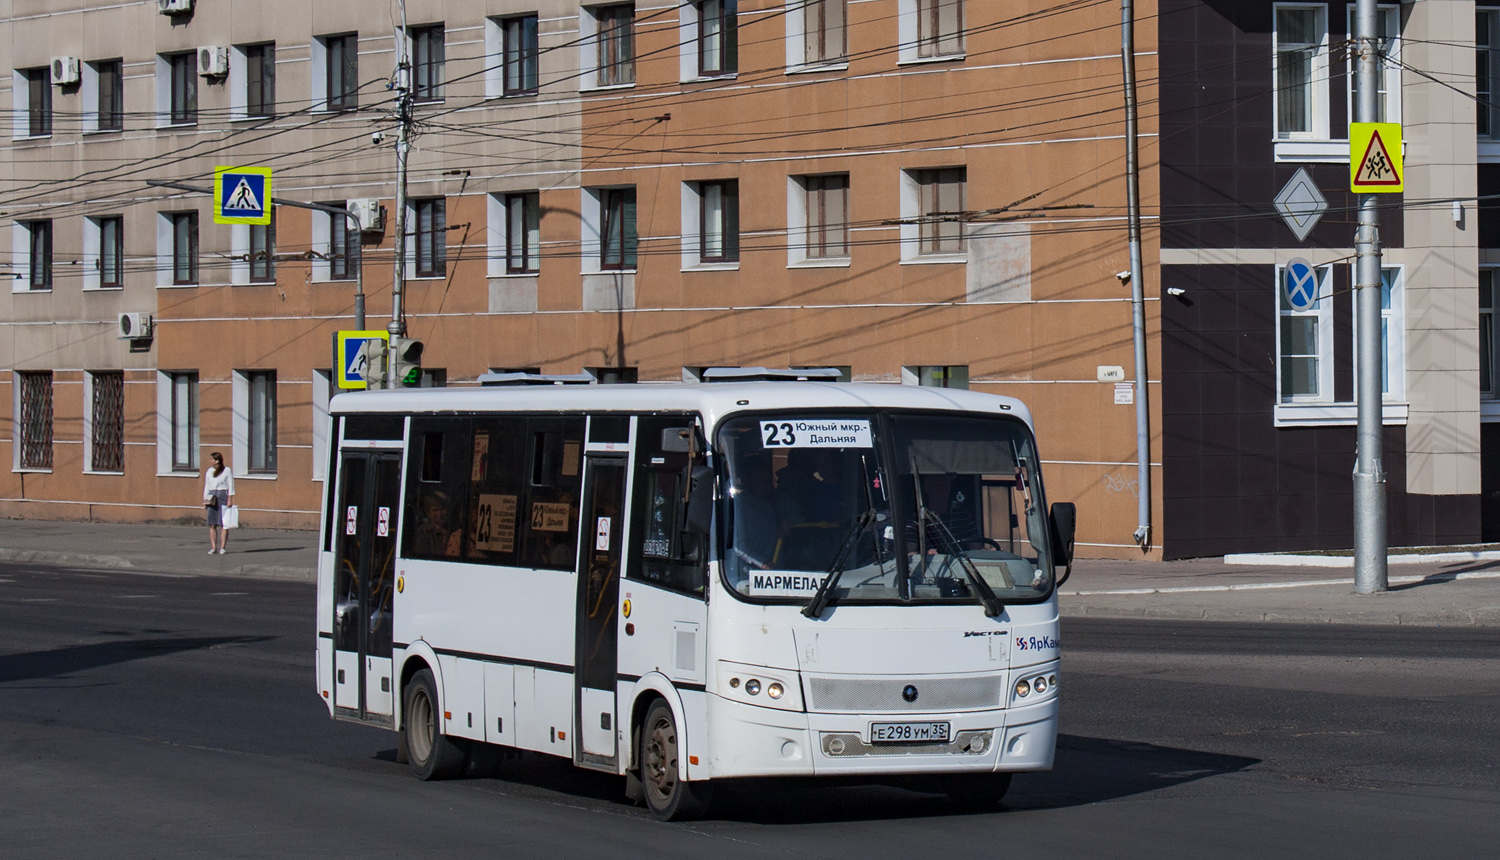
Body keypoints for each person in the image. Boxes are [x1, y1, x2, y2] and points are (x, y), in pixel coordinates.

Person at [202, 451, 235, 555]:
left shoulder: (226, 470)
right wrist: (205, 500)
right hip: (212, 496)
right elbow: (207, 486)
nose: (210, 461)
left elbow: (230, 484)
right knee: (212, 523)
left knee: (224, 523)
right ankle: (213, 547)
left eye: (212, 459)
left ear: (217, 461)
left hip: (222, 495)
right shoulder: (209, 471)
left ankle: (222, 547)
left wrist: (230, 498)